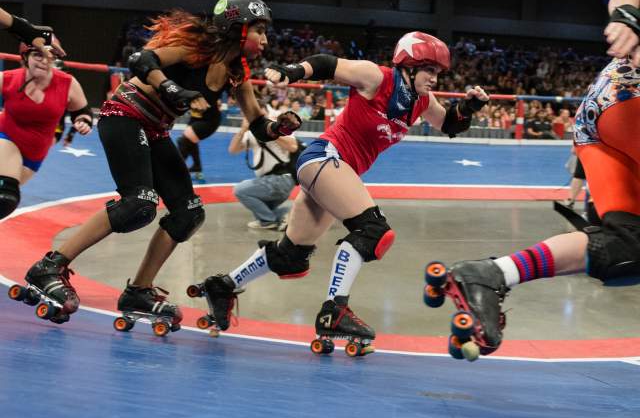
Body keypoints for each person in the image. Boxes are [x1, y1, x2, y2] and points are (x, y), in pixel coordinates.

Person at [191, 31, 488, 350]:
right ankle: (335, 310)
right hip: (325, 158)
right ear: (410, 66)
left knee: (291, 256)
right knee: (373, 231)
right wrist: (291, 72)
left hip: (329, 171)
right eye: (429, 70)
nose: (435, 78)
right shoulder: (378, 77)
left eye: (438, 72)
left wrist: (468, 107)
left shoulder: (422, 102)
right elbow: (327, 64)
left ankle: (222, 287)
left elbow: (450, 125)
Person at [21, 0, 301, 324]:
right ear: (237, 29)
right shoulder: (198, 46)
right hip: (125, 115)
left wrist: (278, 127)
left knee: (188, 213)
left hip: (154, 129)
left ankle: (138, 290)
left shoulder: (237, 71)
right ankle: (49, 266)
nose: (266, 40)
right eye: (260, 31)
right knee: (138, 204)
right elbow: (142, 61)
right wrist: (170, 88)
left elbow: (257, 123)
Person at [428, 0, 640, 354]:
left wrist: (625, 15)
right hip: (624, 108)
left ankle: (489, 274)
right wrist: (626, 17)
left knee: (626, 250)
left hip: (601, 123)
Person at [0, 40, 93, 221]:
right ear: (25, 58)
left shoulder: (67, 83)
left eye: (48, 57)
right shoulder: (8, 78)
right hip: (6, 136)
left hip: (35, 153)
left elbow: (82, 111)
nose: (43, 61)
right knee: (5, 196)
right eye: (37, 55)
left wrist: (83, 122)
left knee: (6, 201)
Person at [229, 104, 299, 230]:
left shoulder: (279, 127)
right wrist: (243, 130)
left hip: (280, 179)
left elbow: (293, 147)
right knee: (264, 210)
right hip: (270, 183)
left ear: (265, 113)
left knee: (240, 190)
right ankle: (288, 214)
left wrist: (271, 132)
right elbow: (233, 150)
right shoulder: (251, 133)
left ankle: (267, 221)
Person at [176, 102, 221, 182]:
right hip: (196, 117)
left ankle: (179, 169)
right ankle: (196, 167)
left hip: (209, 119)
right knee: (190, 139)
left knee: (184, 140)